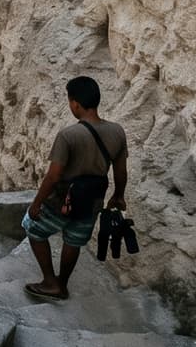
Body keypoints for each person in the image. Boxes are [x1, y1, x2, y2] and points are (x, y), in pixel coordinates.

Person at [23, 75, 127, 301]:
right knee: (74, 240)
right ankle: (62, 284)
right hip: (93, 200)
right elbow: (120, 171)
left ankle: (50, 281)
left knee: (33, 228)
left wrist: (37, 203)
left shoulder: (68, 136)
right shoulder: (117, 132)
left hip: (62, 200)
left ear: (75, 104)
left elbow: (54, 176)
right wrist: (118, 196)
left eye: (70, 101)